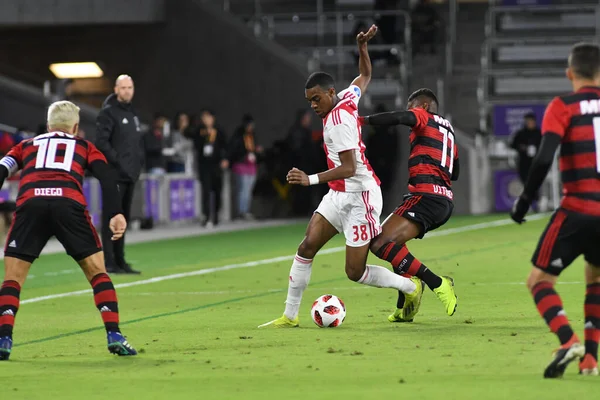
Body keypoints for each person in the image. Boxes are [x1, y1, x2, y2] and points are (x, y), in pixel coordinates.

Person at [259, 25, 420, 329]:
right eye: (309, 101)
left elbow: (349, 167)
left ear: (329, 93)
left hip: (361, 196)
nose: (313, 105)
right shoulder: (346, 97)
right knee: (307, 246)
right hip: (339, 194)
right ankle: (290, 316)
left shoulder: (339, 123)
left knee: (354, 272)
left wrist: (310, 179)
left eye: (316, 99)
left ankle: (410, 287)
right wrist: (362, 49)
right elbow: (365, 77)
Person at [0, 101, 137, 360]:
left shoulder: (26, 145)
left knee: (12, 279)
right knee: (97, 272)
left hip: (31, 204)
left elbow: (1, 169)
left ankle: (3, 339)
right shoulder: (84, 146)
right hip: (68, 204)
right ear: (75, 127)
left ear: (49, 124)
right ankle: (114, 335)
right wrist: (117, 213)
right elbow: (107, 177)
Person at [510, 43, 600, 378]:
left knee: (539, 281)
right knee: (595, 277)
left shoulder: (563, 106)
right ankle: (590, 361)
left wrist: (524, 200)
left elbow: (545, 157)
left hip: (576, 209)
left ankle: (567, 339)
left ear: (570, 73)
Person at [360, 88, 459, 323]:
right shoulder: (449, 132)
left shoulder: (424, 117)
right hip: (444, 201)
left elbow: (400, 118)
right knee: (396, 246)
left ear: (423, 107)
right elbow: (455, 172)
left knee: (379, 242)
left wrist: (362, 120)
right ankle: (405, 304)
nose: (409, 111)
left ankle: (437, 283)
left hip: (425, 196)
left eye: (411, 106)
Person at [95, 75, 143, 274]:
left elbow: (135, 145)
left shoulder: (133, 114)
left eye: (130, 87)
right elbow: (101, 143)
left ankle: (120, 259)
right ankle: (109, 261)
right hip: (114, 175)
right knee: (111, 218)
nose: (126, 91)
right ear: (116, 89)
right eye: (123, 87)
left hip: (130, 175)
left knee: (123, 219)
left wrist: (137, 165)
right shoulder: (108, 113)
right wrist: (117, 161)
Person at [189, 110, 229, 227]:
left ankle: (216, 215)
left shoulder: (219, 131)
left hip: (216, 165)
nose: (205, 120)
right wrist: (205, 135)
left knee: (217, 190)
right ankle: (206, 216)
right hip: (204, 165)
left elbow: (226, 146)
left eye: (207, 117)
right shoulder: (199, 131)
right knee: (206, 191)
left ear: (212, 118)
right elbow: (195, 145)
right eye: (203, 118)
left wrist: (225, 159)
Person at [229, 114, 262, 220]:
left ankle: (246, 210)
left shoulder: (252, 135)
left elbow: (253, 148)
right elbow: (234, 149)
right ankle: (240, 212)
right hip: (241, 165)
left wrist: (256, 151)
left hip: (251, 166)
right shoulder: (238, 135)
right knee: (242, 189)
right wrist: (244, 155)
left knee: (248, 189)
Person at [510, 112, 542, 204]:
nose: (529, 123)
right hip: (524, 163)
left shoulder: (539, 133)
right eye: (527, 121)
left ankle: (536, 199)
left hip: (536, 163)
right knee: (525, 181)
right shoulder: (521, 133)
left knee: (535, 182)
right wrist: (522, 147)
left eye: (530, 121)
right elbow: (513, 145)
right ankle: (529, 200)